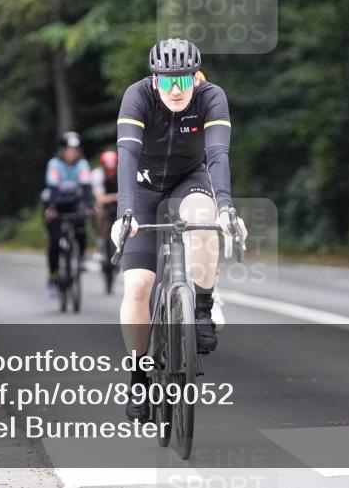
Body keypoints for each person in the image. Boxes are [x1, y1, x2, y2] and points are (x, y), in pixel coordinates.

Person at [110, 38, 246, 422]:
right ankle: (138, 376)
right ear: (154, 80)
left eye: (183, 80)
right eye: (166, 81)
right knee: (138, 285)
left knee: (205, 218)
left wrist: (227, 208)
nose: (175, 89)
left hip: (189, 179)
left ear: (195, 77)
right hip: (143, 187)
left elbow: (218, 155)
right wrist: (124, 213)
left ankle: (201, 310)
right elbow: (127, 156)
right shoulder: (137, 96)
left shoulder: (211, 97)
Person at [43, 131, 92, 294]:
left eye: (75, 150)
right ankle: (53, 276)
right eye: (69, 150)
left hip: (73, 203)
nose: (72, 153)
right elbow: (53, 187)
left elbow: (86, 186)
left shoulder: (82, 164)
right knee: (54, 241)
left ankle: (81, 258)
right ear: (62, 150)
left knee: (81, 228)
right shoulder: (54, 164)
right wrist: (51, 208)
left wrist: (88, 206)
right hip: (55, 202)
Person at [90, 149, 119, 291]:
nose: (111, 172)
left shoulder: (122, 172)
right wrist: (115, 197)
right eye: (108, 169)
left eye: (113, 168)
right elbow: (100, 198)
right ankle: (100, 242)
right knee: (98, 213)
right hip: (105, 206)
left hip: (119, 204)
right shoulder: (97, 175)